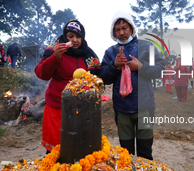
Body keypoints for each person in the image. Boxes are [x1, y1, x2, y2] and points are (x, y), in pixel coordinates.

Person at [100, 10, 164, 160]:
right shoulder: (110, 53)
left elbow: (160, 70)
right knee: (126, 153)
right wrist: (114, 66)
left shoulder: (147, 47)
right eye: (117, 30)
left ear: (132, 28)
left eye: (124, 28)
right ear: (113, 32)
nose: (121, 32)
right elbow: (104, 78)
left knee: (145, 151)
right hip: (122, 109)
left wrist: (141, 67)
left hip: (144, 107)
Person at [35, 20, 101, 153]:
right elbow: (42, 74)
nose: (75, 40)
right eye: (71, 36)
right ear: (65, 36)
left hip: (82, 108)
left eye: (78, 37)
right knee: (56, 150)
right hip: (57, 108)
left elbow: (98, 76)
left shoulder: (89, 54)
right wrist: (55, 57)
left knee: (80, 147)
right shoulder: (54, 49)